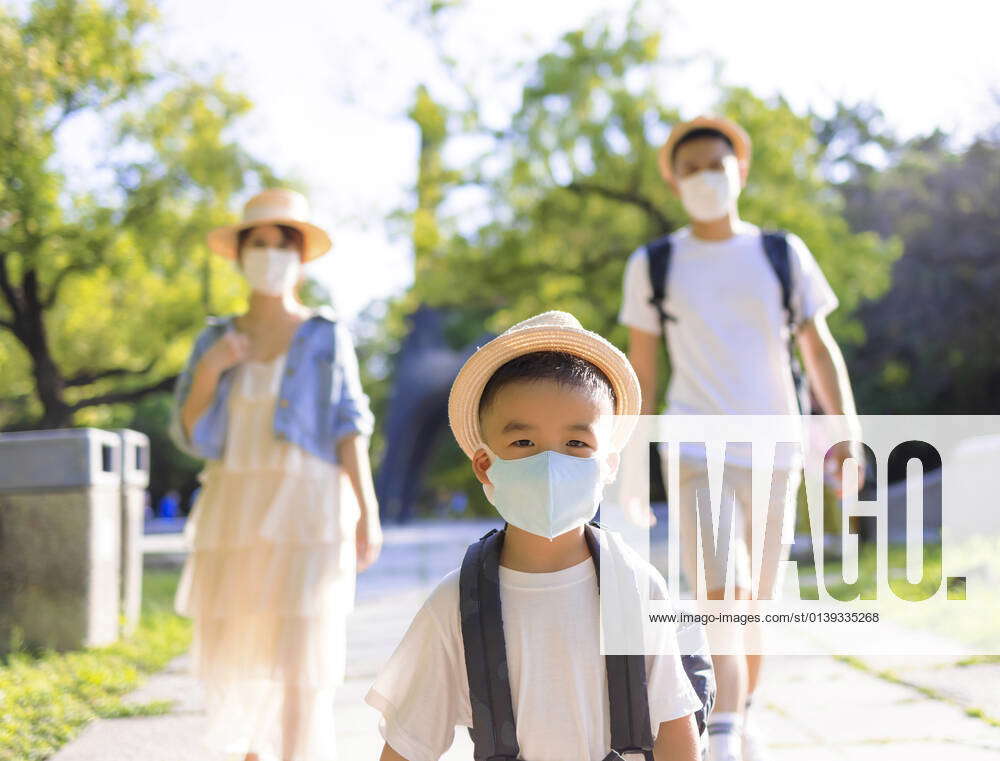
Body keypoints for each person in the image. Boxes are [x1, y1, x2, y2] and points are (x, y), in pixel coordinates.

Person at [619, 115, 864, 761]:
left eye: (715, 163)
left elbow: (818, 350)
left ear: (740, 170)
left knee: (755, 599)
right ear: (674, 181)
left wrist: (846, 434)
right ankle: (722, 718)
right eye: (691, 166)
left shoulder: (782, 253)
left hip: (777, 451)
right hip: (696, 449)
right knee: (720, 592)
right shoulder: (655, 264)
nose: (706, 175)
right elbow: (639, 368)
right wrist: (628, 463)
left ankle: (740, 710)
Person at [365, 311, 706, 761]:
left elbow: (676, 734)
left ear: (607, 466)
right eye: (524, 444)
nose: (551, 465)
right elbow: (407, 746)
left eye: (576, 444)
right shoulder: (456, 604)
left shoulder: (638, 589)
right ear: (486, 465)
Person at [168, 188, 383, 761]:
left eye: (279, 244)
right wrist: (213, 370)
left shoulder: (325, 334)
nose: (268, 255)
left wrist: (368, 508)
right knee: (242, 648)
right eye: (256, 244)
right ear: (239, 255)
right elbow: (190, 432)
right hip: (236, 506)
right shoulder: (214, 338)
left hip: (310, 505)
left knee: (300, 655)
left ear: (300, 257)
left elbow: (349, 423)